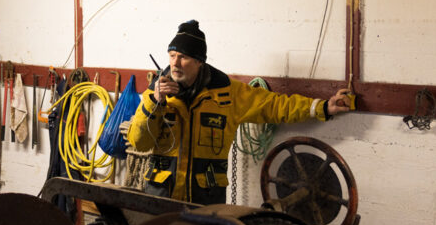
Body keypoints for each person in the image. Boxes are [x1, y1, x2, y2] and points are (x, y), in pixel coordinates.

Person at [127, 20, 354, 204]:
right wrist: (155, 102)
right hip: (161, 199)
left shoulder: (227, 94)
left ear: (199, 62)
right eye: (171, 55)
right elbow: (139, 142)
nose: (175, 63)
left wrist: (323, 107)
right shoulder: (156, 94)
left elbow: (275, 106)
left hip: (206, 203)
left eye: (183, 57)